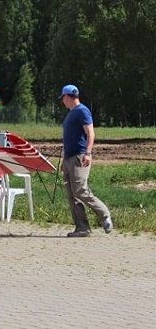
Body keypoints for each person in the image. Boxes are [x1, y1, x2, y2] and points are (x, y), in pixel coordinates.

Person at [59, 84, 113, 237]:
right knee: (71, 194)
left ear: (67, 97)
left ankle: (104, 215)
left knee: (80, 190)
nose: (63, 101)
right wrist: (64, 160)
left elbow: (90, 133)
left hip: (79, 157)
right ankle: (82, 228)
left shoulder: (82, 111)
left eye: (63, 97)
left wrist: (88, 153)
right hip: (69, 158)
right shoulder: (71, 113)